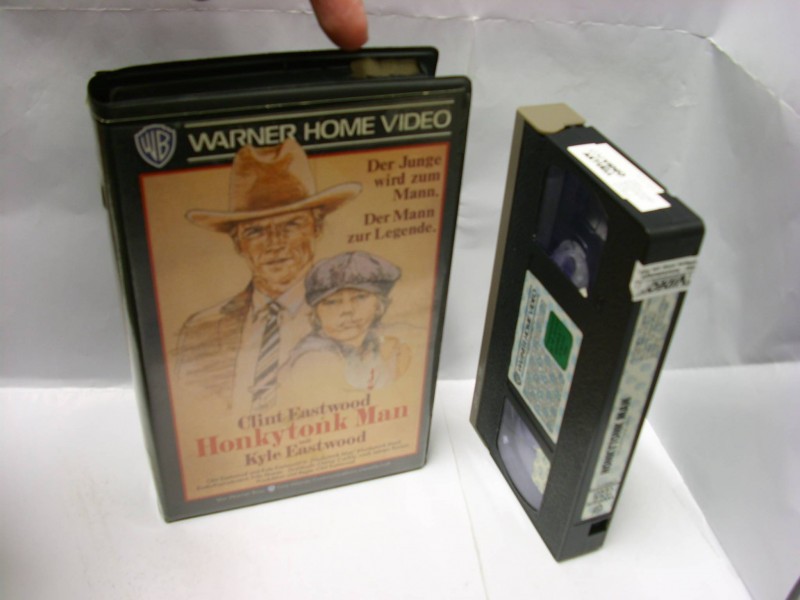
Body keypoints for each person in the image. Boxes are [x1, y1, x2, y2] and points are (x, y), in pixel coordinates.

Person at [175, 138, 361, 413]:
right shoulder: (201, 331)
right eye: (255, 231)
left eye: (291, 224)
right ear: (237, 242)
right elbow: (198, 414)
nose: (275, 243)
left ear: (317, 227)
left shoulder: (356, 318)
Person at [284, 251, 411, 394]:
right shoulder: (314, 358)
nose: (347, 310)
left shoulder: (380, 343)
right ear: (316, 313)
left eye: (360, 297)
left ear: (379, 305)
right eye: (332, 302)